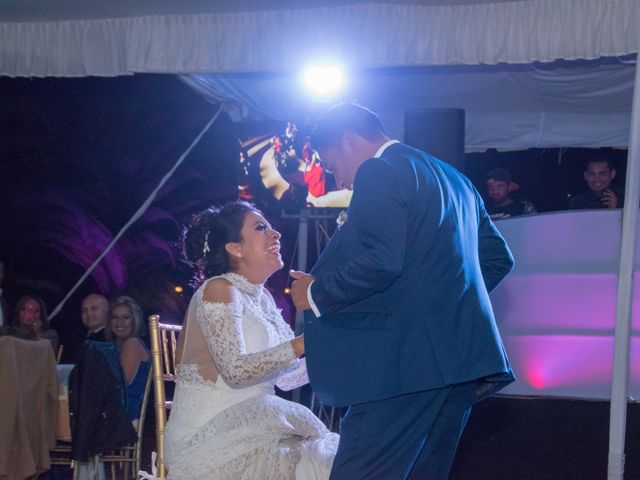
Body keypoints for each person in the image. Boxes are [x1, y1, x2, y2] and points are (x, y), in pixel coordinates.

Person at [289, 103, 514, 480]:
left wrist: (314, 293)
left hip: (401, 366)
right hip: (460, 363)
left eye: (333, 167)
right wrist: (442, 304)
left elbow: (382, 261)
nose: (341, 181)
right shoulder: (455, 178)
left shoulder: (381, 169)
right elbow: (498, 259)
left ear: (349, 139)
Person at [163, 201, 338, 479]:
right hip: (209, 438)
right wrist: (303, 343)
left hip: (255, 427)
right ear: (235, 248)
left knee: (329, 460)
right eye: (260, 228)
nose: (275, 234)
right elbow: (236, 371)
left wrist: (334, 346)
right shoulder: (218, 289)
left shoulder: (263, 298)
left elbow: (286, 378)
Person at [108, 295, 150, 423]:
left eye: (126, 318)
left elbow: (118, 384)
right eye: (115, 317)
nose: (119, 322)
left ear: (134, 320)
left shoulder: (132, 344)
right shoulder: (116, 346)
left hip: (125, 413)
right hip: (117, 408)